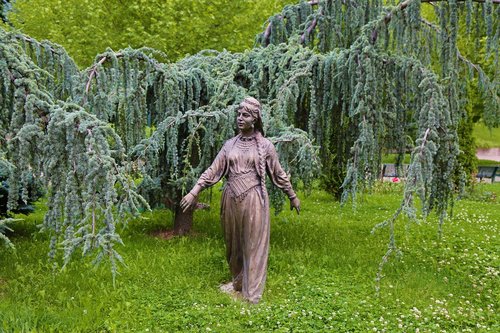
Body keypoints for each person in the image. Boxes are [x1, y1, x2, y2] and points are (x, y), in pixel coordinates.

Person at [180, 97, 300, 304]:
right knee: (233, 247)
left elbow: (278, 174)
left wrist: (292, 195)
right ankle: (237, 281)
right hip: (230, 199)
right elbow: (213, 170)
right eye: (238, 114)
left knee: (253, 246)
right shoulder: (229, 145)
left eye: (245, 115)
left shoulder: (265, 146)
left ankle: (252, 294)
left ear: (255, 119)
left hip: (254, 199)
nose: (240, 118)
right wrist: (194, 191)